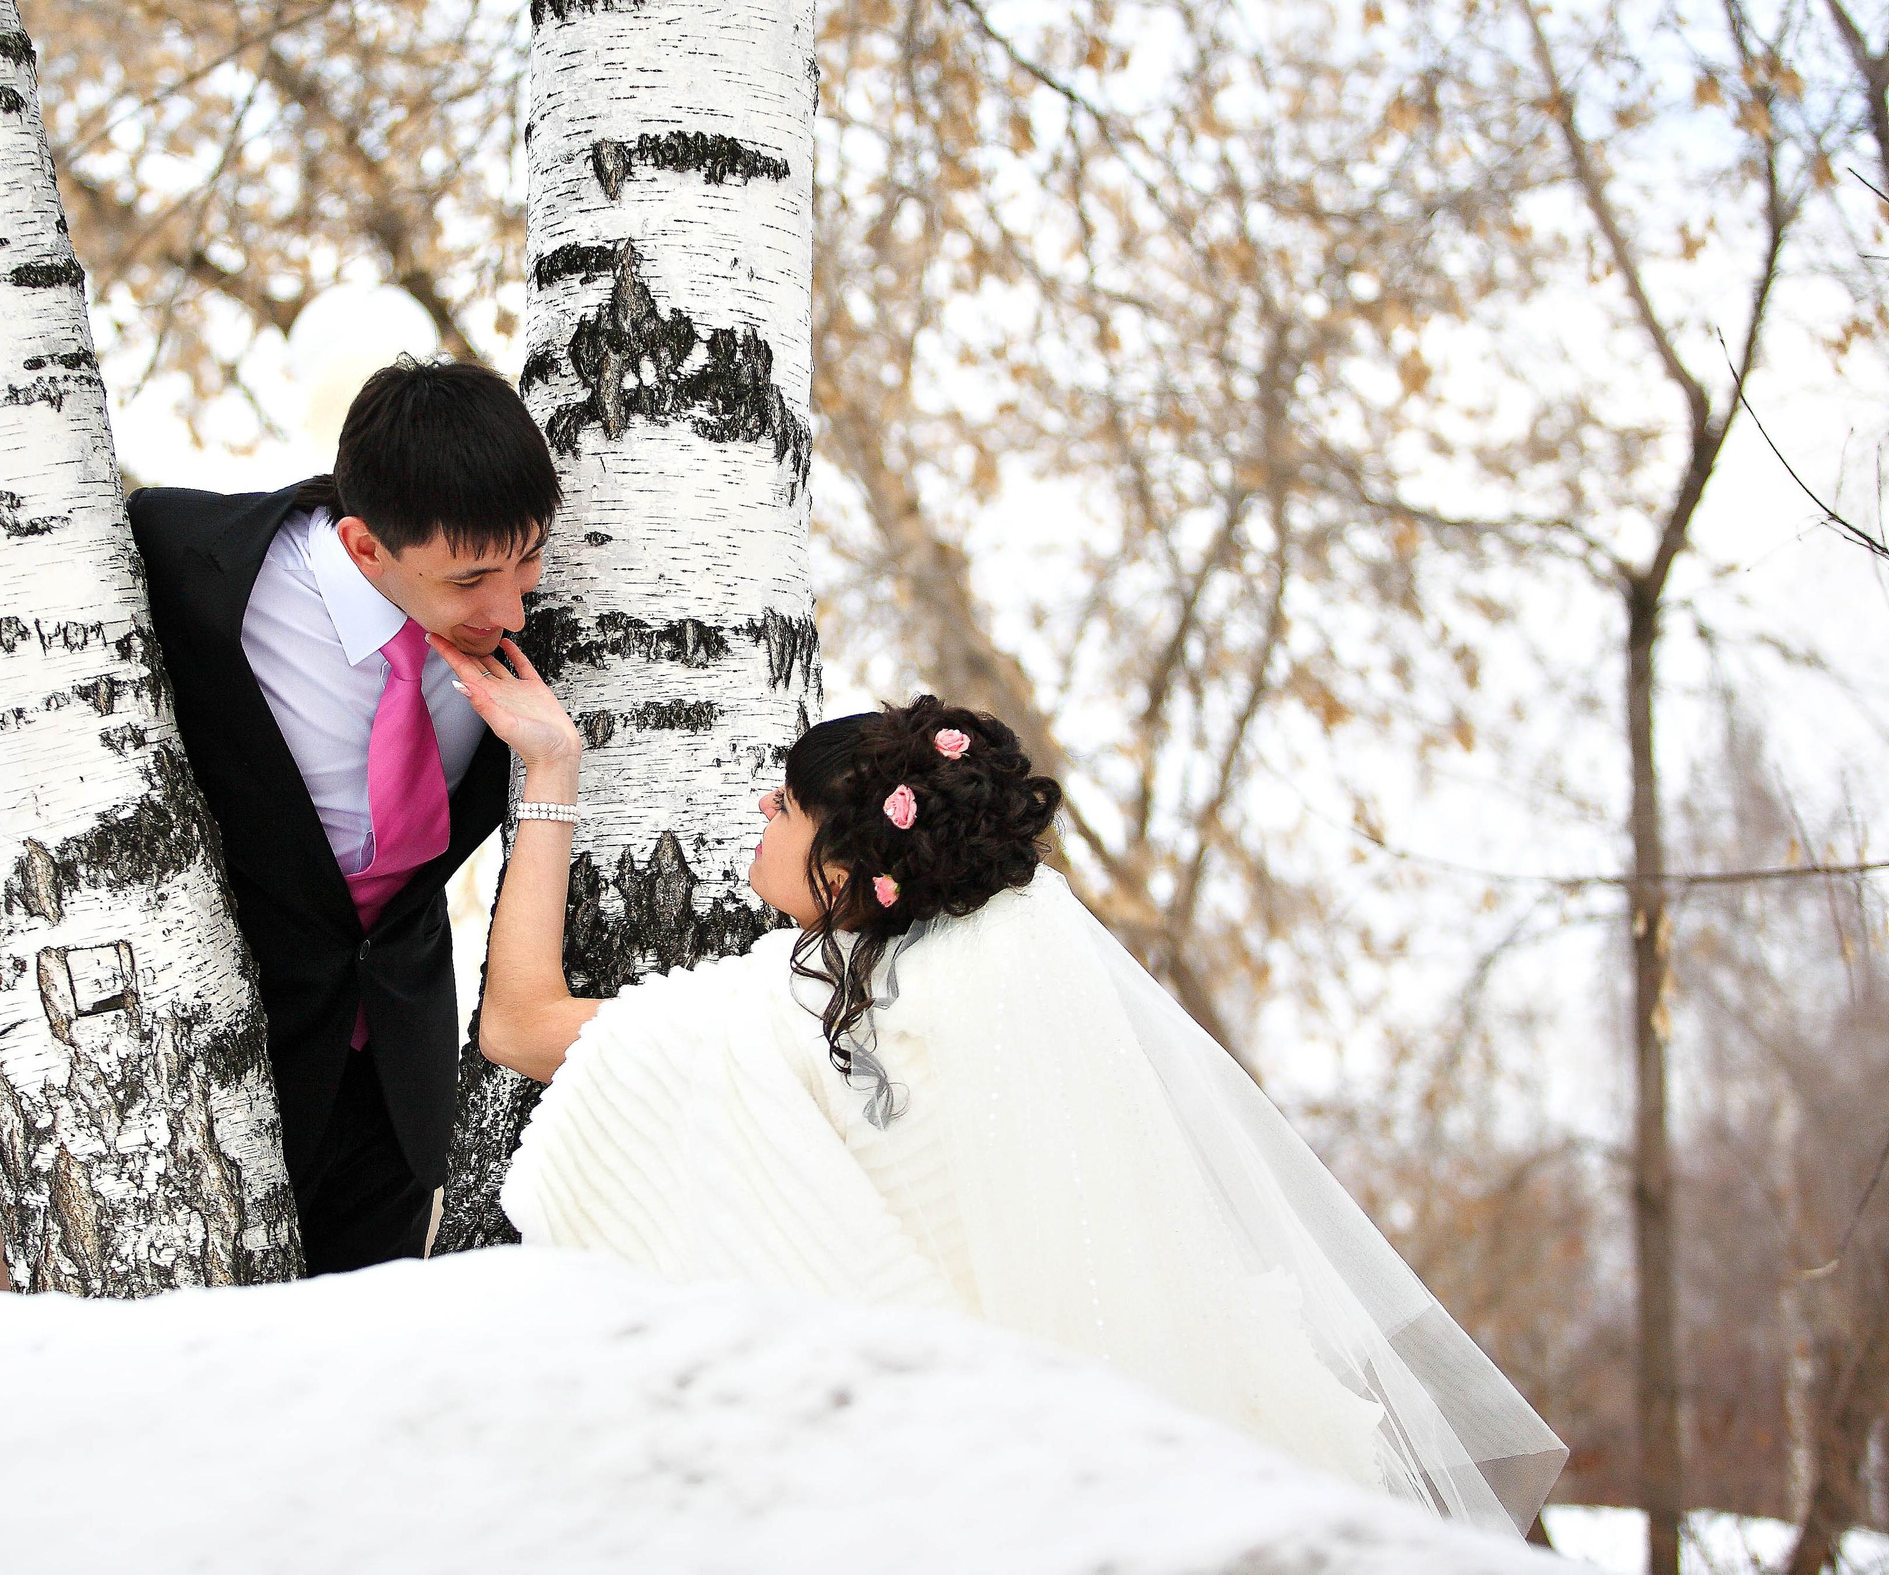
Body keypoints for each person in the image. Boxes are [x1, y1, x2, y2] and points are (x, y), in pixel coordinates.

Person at [429, 638, 1568, 1536]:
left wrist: (551, 771)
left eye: (782, 804)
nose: (757, 819)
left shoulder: (788, 1019)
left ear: (846, 858)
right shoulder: (976, 1003)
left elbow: (522, 1024)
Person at [0, 356, 557, 1274]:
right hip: (209, 1082)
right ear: (367, 546)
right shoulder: (183, 558)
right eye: (471, 579)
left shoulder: (540, 621)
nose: (512, 606)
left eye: (528, 558)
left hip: (397, 1095)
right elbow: (26, 688)